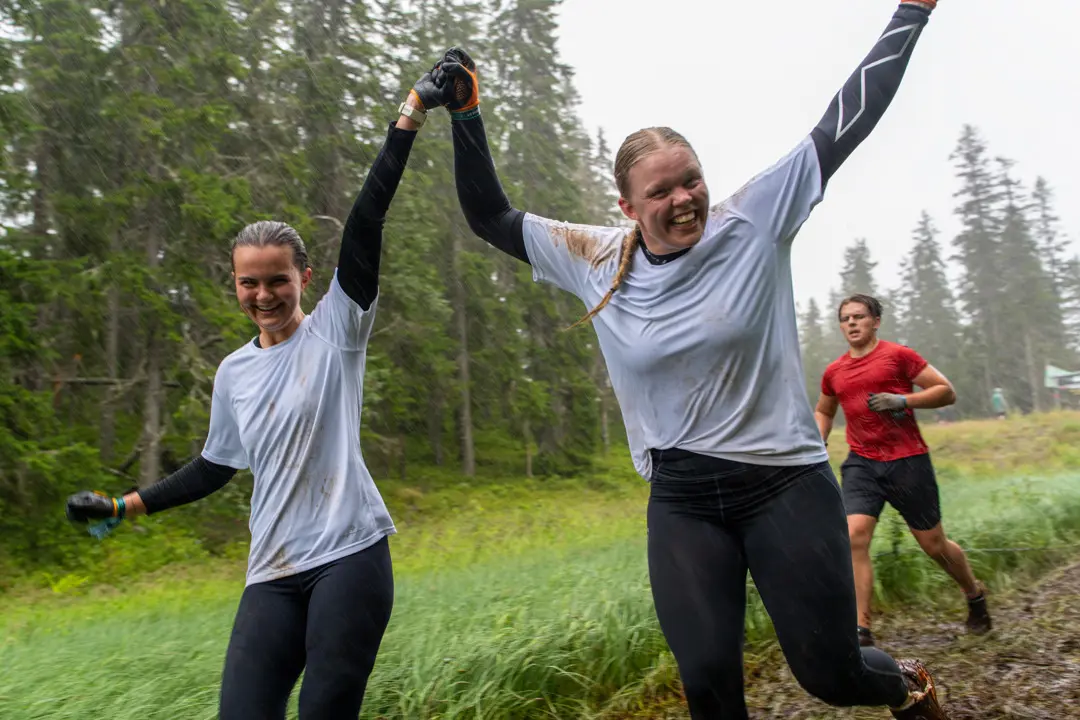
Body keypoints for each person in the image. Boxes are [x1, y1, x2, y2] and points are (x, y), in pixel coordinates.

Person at [434, 1, 950, 718]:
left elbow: (845, 121)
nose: (684, 200)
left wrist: (912, 11)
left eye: (692, 180)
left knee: (831, 675)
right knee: (706, 680)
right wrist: (466, 114)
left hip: (783, 481)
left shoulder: (755, 219)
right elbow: (490, 216)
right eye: (661, 192)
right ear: (627, 206)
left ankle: (904, 684)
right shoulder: (594, 257)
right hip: (683, 498)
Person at [63, 66, 459, 719]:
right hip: (272, 570)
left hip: (350, 556)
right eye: (249, 282)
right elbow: (214, 467)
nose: (263, 294)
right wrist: (120, 505)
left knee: (323, 711)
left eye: (277, 280)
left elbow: (366, 218)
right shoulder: (233, 373)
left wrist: (412, 111)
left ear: (305, 277)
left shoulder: (337, 331)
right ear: (235, 284)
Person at [815, 294, 992, 651]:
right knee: (854, 536)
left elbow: (946, 392)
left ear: (876, 321)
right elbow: (825, 410)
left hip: (908, 462)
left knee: (934, 545)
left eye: (859, 316)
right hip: (862, 463)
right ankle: (862, 630)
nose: (852, 323)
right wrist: (817, 443)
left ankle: (973, 593)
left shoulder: (898, 356)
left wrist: (903, 400)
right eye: (845, 318)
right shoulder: (834, 371)